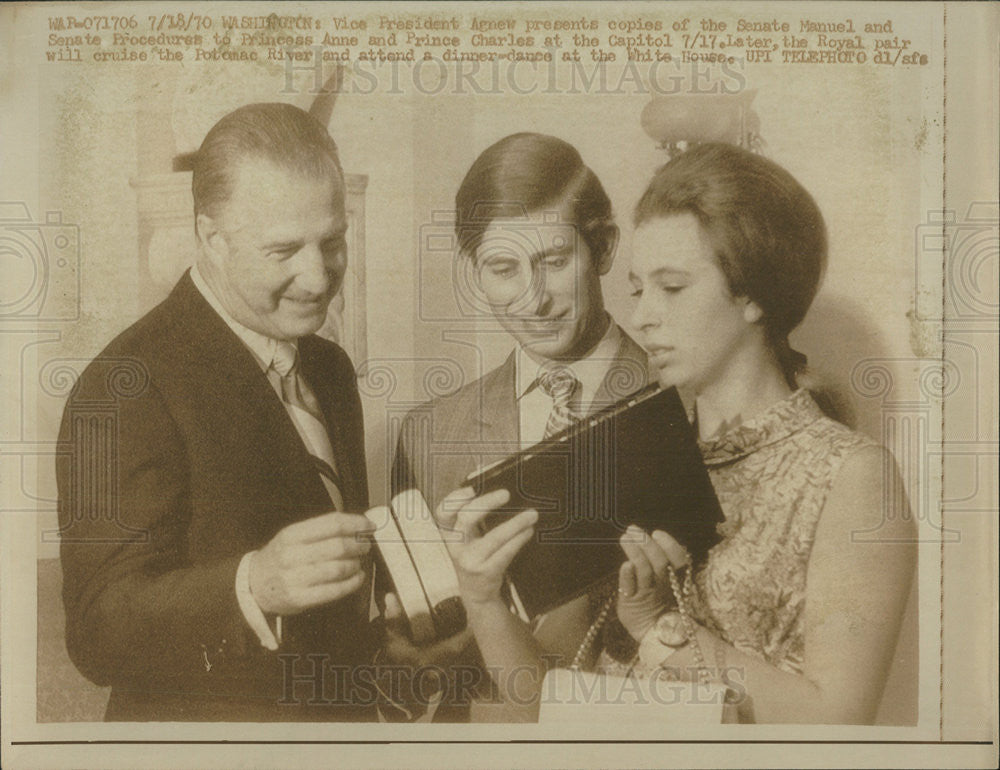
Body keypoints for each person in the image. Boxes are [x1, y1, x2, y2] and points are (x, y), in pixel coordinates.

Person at [439, 141, 916, 724]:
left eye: (673, 287)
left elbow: (840, 724)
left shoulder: (851, 473)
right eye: (639, 289)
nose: (642, 316)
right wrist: (485, 599)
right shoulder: (634, 449)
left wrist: (660, 627)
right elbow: (540, 705)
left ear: (753, 295)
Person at [57, 103, 379, 721]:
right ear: (210, 238)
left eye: (333, 241)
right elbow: (97, 633)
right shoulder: (121, 384)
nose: (318, 278)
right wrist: (252, 584)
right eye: (283, 250)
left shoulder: (330, 369)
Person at [391, 133, 652, 721]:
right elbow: (426, 647)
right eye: (503, 269)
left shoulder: (685, 406)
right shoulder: (428, 434)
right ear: (472, 271)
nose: (533, 300)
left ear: (604, 247)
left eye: (554, 262)